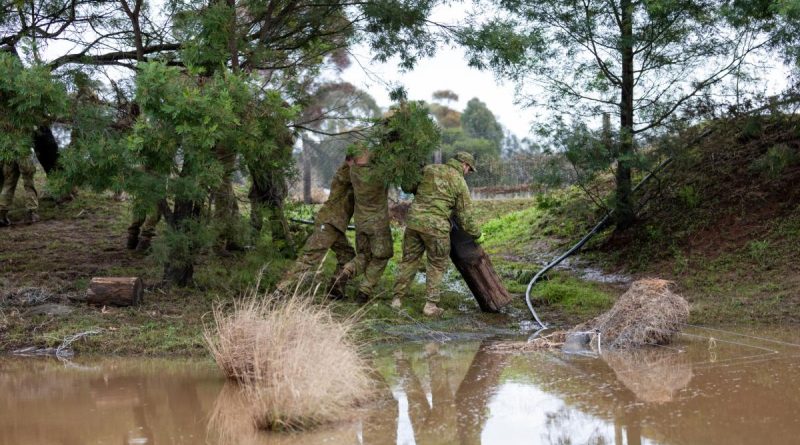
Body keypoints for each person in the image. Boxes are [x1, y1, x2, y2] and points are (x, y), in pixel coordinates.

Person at [391, 151, 481, 317]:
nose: (468, 173)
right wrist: (477, 234)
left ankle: (397, 300)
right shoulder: (459, 182)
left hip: (414, 223)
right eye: (469, 169)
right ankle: (430, 305)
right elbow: (465, 216)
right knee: (436, 264)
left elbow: (407, 187)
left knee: (409, 260)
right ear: (464, 164)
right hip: (436, 228)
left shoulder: (429, 169)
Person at [276, 156, 356, 296]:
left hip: (335, 224)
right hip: (329, 222)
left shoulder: (352, 173)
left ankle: (335, 288)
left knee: (348, 255)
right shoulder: (345, 172)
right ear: (351, 160)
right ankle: (281, 290)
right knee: (310, 258)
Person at [340, 149, 393, 303]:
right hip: (378, 224)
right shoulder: (380, 175)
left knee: (364, 255)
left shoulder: (354, 172)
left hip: (360, 223)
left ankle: (347, 271)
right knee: (383, 255)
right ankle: (365, 289)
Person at [0, 149, 39, 227]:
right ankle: (31, 214)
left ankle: (1, 216)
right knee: (29, 185)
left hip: (9, 153)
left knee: (8, 185)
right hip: (24, 152)